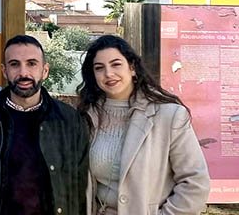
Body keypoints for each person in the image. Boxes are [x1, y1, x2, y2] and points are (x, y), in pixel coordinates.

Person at [78, 35, 209, 214]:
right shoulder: (85, 117)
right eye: (99, 68)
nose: (108, 73)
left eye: (116, 64)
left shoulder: (169, 116)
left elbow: (195, 183)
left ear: (132, 67)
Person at [0, 34, 89, 215]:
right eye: (15, 64)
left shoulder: (69, 120)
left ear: (45, 70)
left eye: (32, 64)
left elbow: (80, 185)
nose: (24, 73)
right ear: (4, 70)